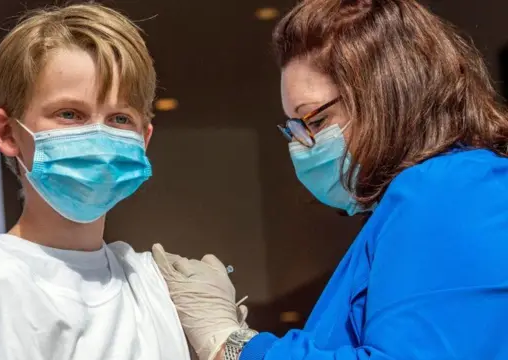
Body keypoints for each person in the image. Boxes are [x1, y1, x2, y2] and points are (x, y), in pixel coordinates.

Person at [152, 0, 508, 359]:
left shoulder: (451, 189)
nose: (300, 148)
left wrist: (231, 344)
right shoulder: (425, 200)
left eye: (316, 122)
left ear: (387, 95)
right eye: (293, 129)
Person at [0, 4, 195, 359]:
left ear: (144, 140)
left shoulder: (149, 282)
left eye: (120, 118)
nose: (98, 136)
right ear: (7, 132)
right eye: (69, 114)